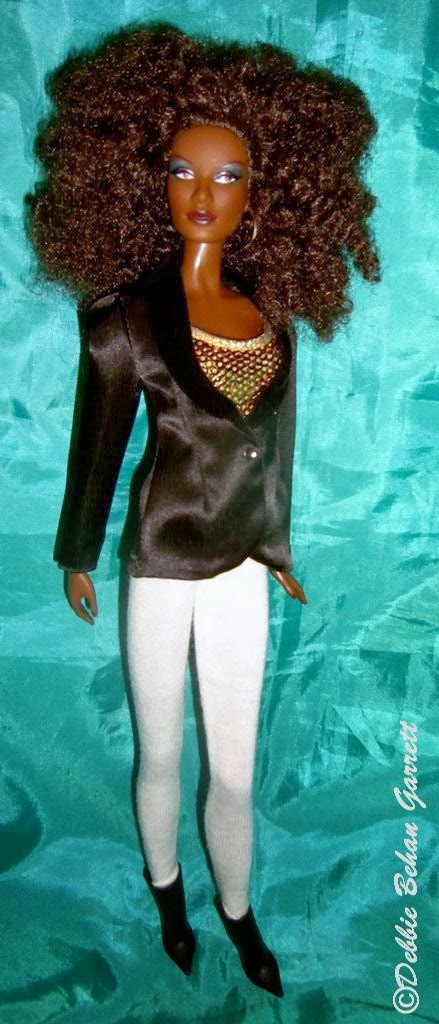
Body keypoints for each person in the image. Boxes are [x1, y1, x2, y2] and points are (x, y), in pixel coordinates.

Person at [28, 24, 379, 997]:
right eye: (182, 170)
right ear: (148, 179)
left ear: (263, 193)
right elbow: (97, 447)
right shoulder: (125, 321)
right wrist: (77, 553)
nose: (203, 193)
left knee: (234, 764)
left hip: (239, 570)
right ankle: (167, 898)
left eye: (228, 176)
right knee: (161, 750)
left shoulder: (270, 318)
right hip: (158, 560)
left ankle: (236, 907)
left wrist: (276, 546)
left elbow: (275, 451)